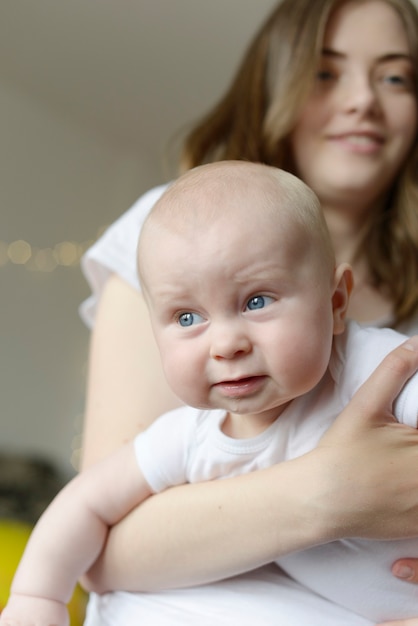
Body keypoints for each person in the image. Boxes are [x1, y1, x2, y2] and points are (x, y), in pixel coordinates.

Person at [77, 0, 418, 624]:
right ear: (275, 86)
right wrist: (332, 494)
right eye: (325, 71)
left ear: (338, 301)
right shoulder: (173, 235)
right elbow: (103, 544)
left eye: (395, 76)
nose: (364, 100)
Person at [4, 161, 418, 626]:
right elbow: (86, 502)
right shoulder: (191, 433)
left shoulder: (373, 371)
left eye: (256, 301)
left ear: (336, 302)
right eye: (187, 318)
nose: (225, 344)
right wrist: (37, 597)